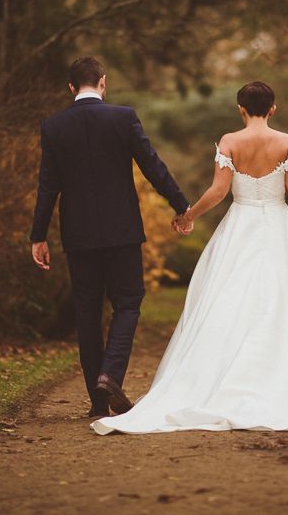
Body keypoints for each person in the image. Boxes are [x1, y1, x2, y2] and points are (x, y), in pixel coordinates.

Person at [91, 81, 288, 434]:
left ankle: (216, 380)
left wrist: (188, 215)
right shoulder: (285, 142)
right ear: (274, 109)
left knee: (228, 301)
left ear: (241, 109)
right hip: (280, 227)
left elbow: (219, 191)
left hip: (239, 227)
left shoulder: (230, 141)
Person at [30, 57, 190, 419]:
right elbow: (153, 166)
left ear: (71, 87)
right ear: (102, 82)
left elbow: (47, 187)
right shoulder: (123, 117)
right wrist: (181, 205)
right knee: (129, 302)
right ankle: (110, 375)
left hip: (79, 235)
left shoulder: (53, 127)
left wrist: (37, 236)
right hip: (121, 231)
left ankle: (97, 401)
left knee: (87, 313)